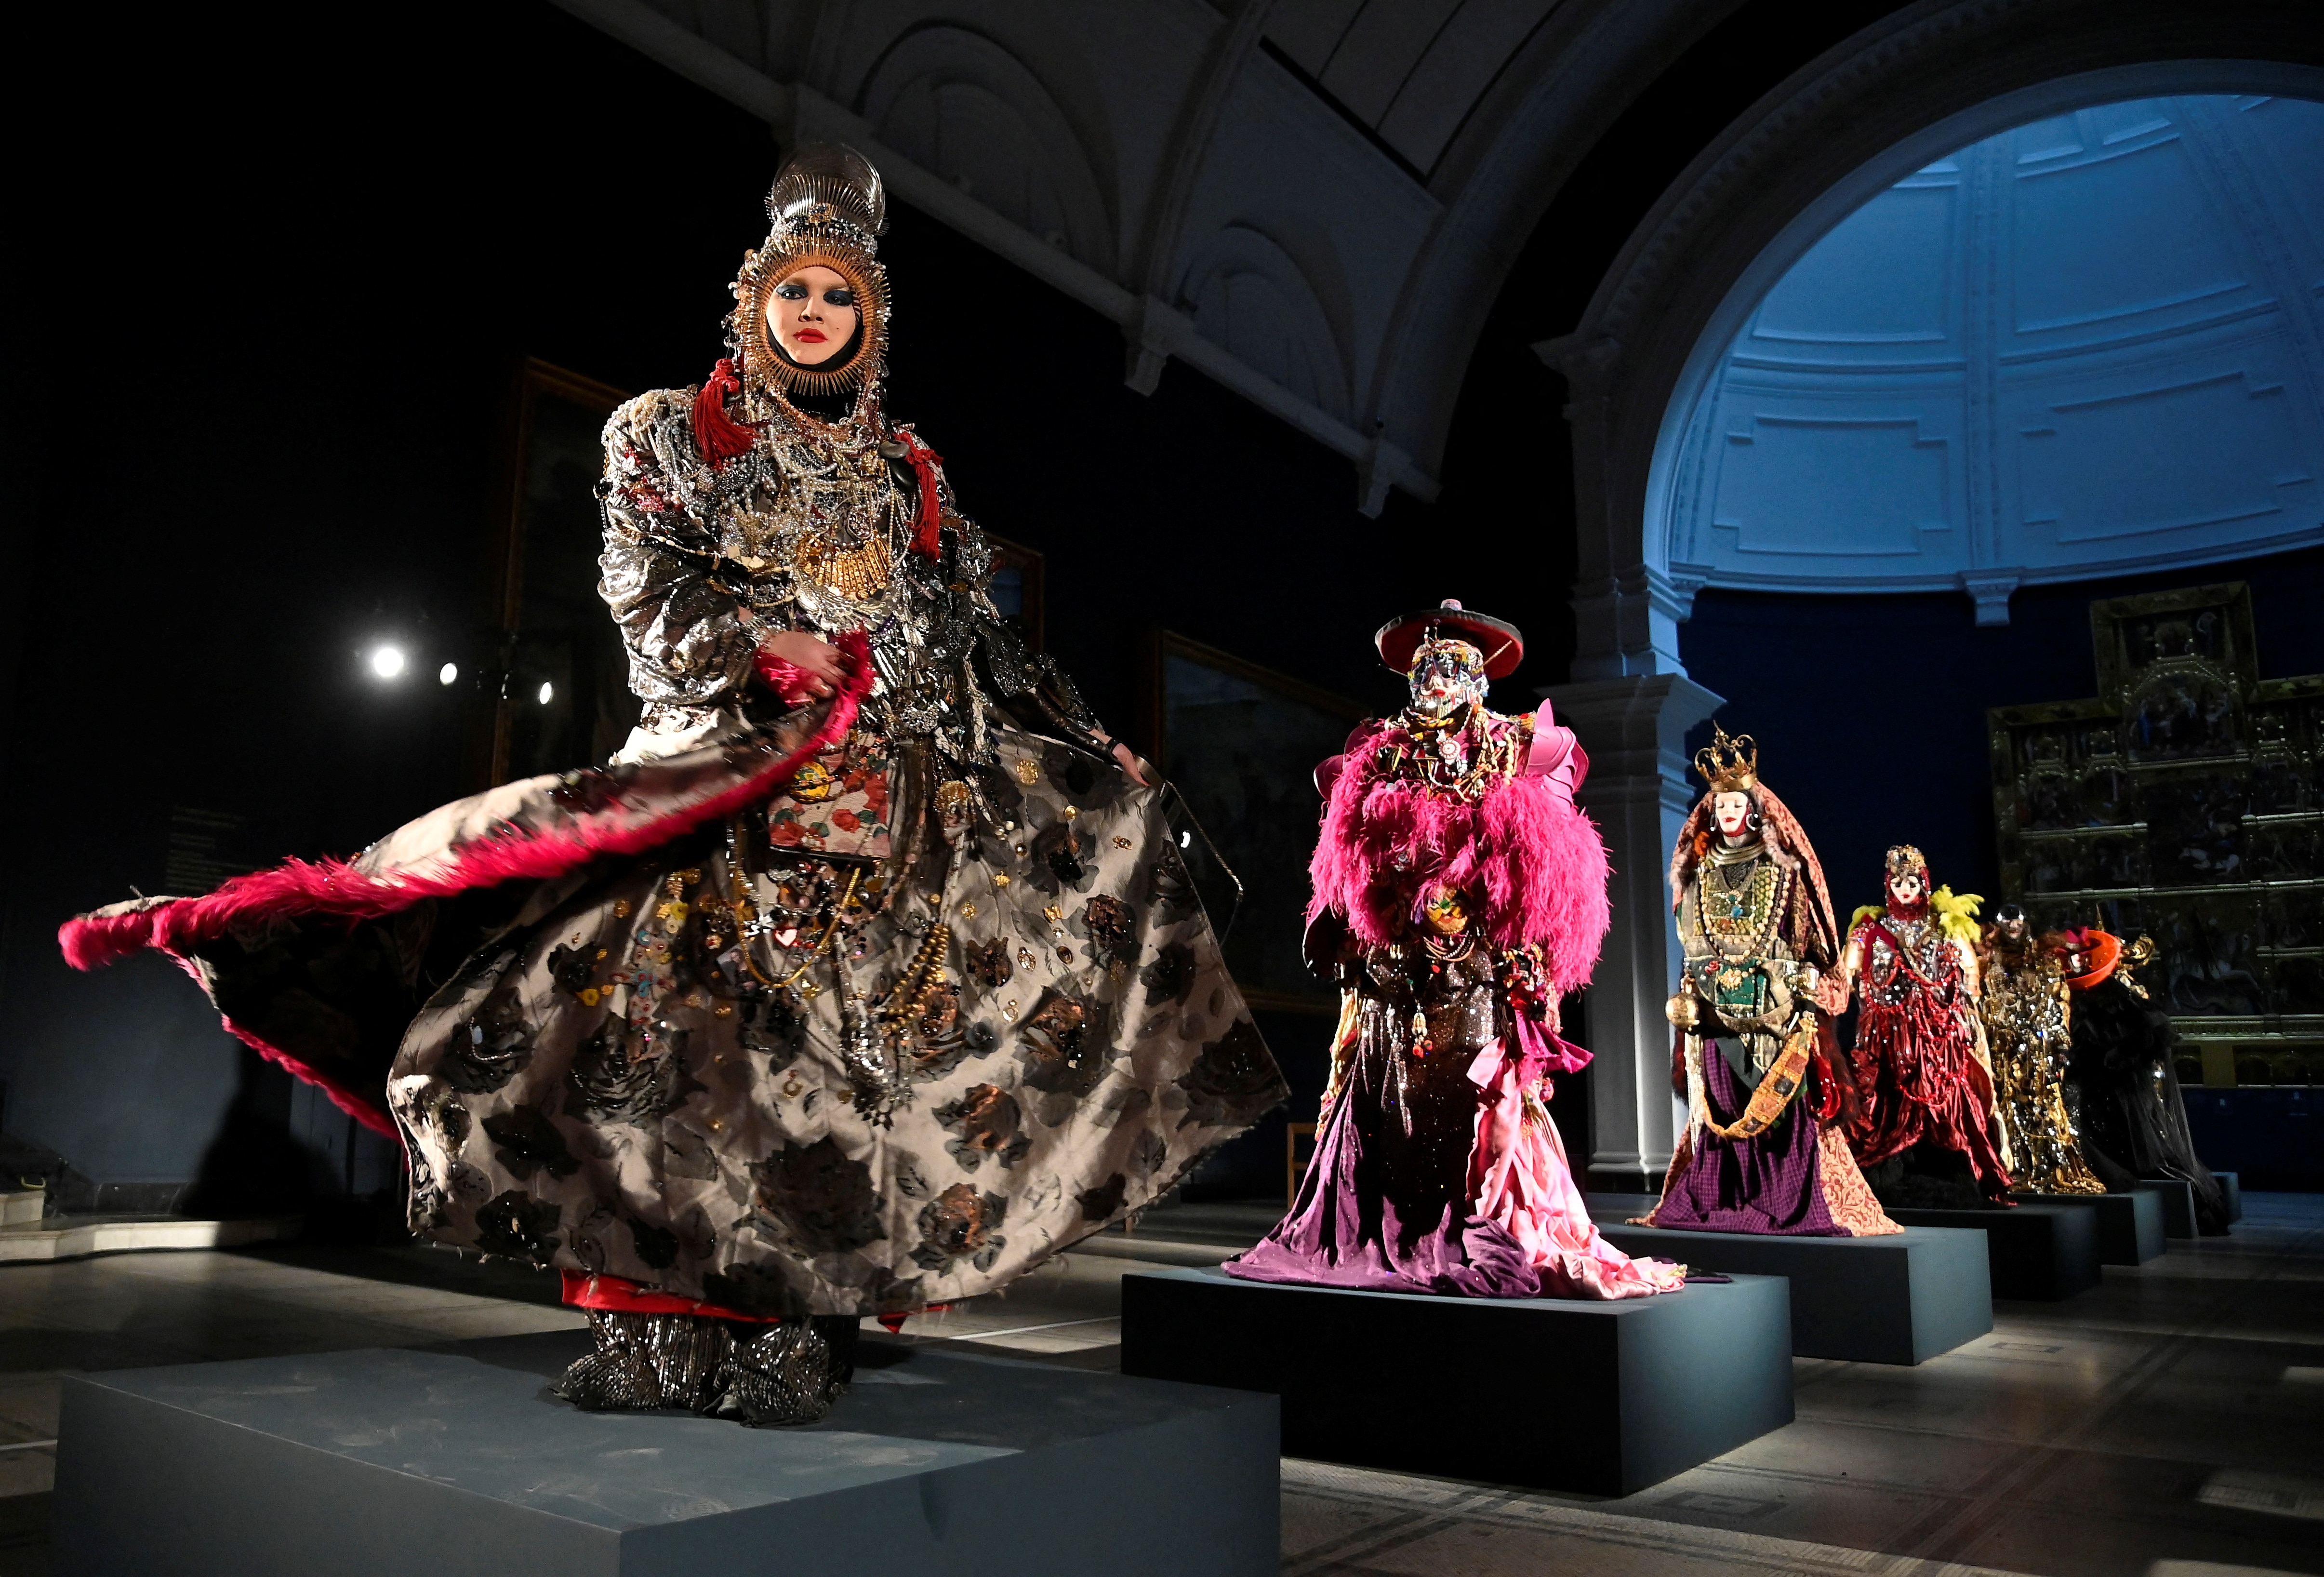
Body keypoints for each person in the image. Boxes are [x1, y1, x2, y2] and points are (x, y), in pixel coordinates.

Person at [59, 145, 1286, 1423]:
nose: (815, 316)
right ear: (753, 300)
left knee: (842, 1074)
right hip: (720, 780)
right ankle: (645, 1316)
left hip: (879, 820)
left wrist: (1091, 747)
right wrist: (760, 646)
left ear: (870, 323)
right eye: (794, 293)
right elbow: (643, 589)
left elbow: (980, 639)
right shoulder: (664, 434)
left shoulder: (907, 478)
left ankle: (796, 1323)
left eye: (841, 299)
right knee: (658, 1054)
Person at [1227, 602, 1685, 1299]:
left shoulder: (1514, 747)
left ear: (1476, 677)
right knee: (1387, 1104)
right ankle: (1390, 1226)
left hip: (1474, 973)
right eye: (1426, 667)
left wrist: (1520, 950)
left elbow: (1546, 867)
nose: (1437, 678)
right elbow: (1344, 857)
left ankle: (1480, 1223)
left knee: (1472, 1107)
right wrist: (1338, 922)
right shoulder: (1376, 754)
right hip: (1392, 975)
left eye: (1452, 666)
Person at [1644, 728, 1896, 1235]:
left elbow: (1803, 937)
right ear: (1709, 814)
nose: (1728, 811)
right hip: (1715, 1010)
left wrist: (1800, 985)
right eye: (1720, 804)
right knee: (1721, 1102)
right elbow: (1693, 946)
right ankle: (1723, 1197)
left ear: (1755, 807)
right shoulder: (1695, 875)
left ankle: (1783, 1199)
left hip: (1776, 1007)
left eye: (1737, 801)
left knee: (1782, 1111)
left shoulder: (1782, 870)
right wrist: (1690, 995)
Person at [1844, 847, 2013, 1208]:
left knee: (1946, 1094)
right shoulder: (1869, 930)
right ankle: (1891, 1169)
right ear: (1888, 884)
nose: (1906, 889)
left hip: (1937, 1035)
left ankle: (1948, 1162)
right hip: (1888, 1034)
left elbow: (1970, 976)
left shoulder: (1943, 926)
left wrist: (1963, 1005)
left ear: (1924, 884)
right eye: (1899, 882)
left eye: (1913, 882)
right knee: (1887, 1097)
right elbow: (1848, 972)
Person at [2055, 928, 2230, 1233]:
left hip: (2124, 1088)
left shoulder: (2116, 997)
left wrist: (2119, 1058)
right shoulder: (2075, 1001)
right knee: (2107, 1137)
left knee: (2140, 1140)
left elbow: (2153, 1029)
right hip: (2098, 1089)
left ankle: (2178, 1209)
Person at [1978, 904, 2106, 1196]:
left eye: (2018, 923)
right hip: (2002, 1049)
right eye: (2007, 923)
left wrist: (2060, 1043)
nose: (2013, 928)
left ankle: (2049, 1167)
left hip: (2037, 1047)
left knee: (2044, 1105)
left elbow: (2058, 1002)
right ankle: (2014, 1167)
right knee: (2009, 1109)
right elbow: (1983, 1003)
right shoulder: (1989, 963)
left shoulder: (2043, 959)